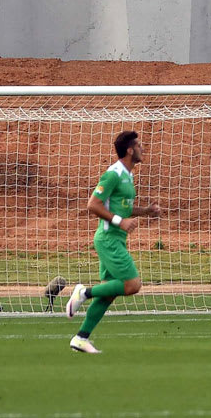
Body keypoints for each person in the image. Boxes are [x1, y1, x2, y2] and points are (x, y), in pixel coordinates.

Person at [64, 130, 162, 354]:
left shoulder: (129, 175)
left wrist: (146, 211)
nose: (142, 149)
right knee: (132, 284)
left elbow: (121, 208)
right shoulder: (113, 174)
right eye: (138, 145)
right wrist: (120, 222)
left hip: (116, 238)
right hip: (108, 239)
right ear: (129, 150)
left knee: (108, 293)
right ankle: (84, 293)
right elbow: (93, 204)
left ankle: (80, 338)